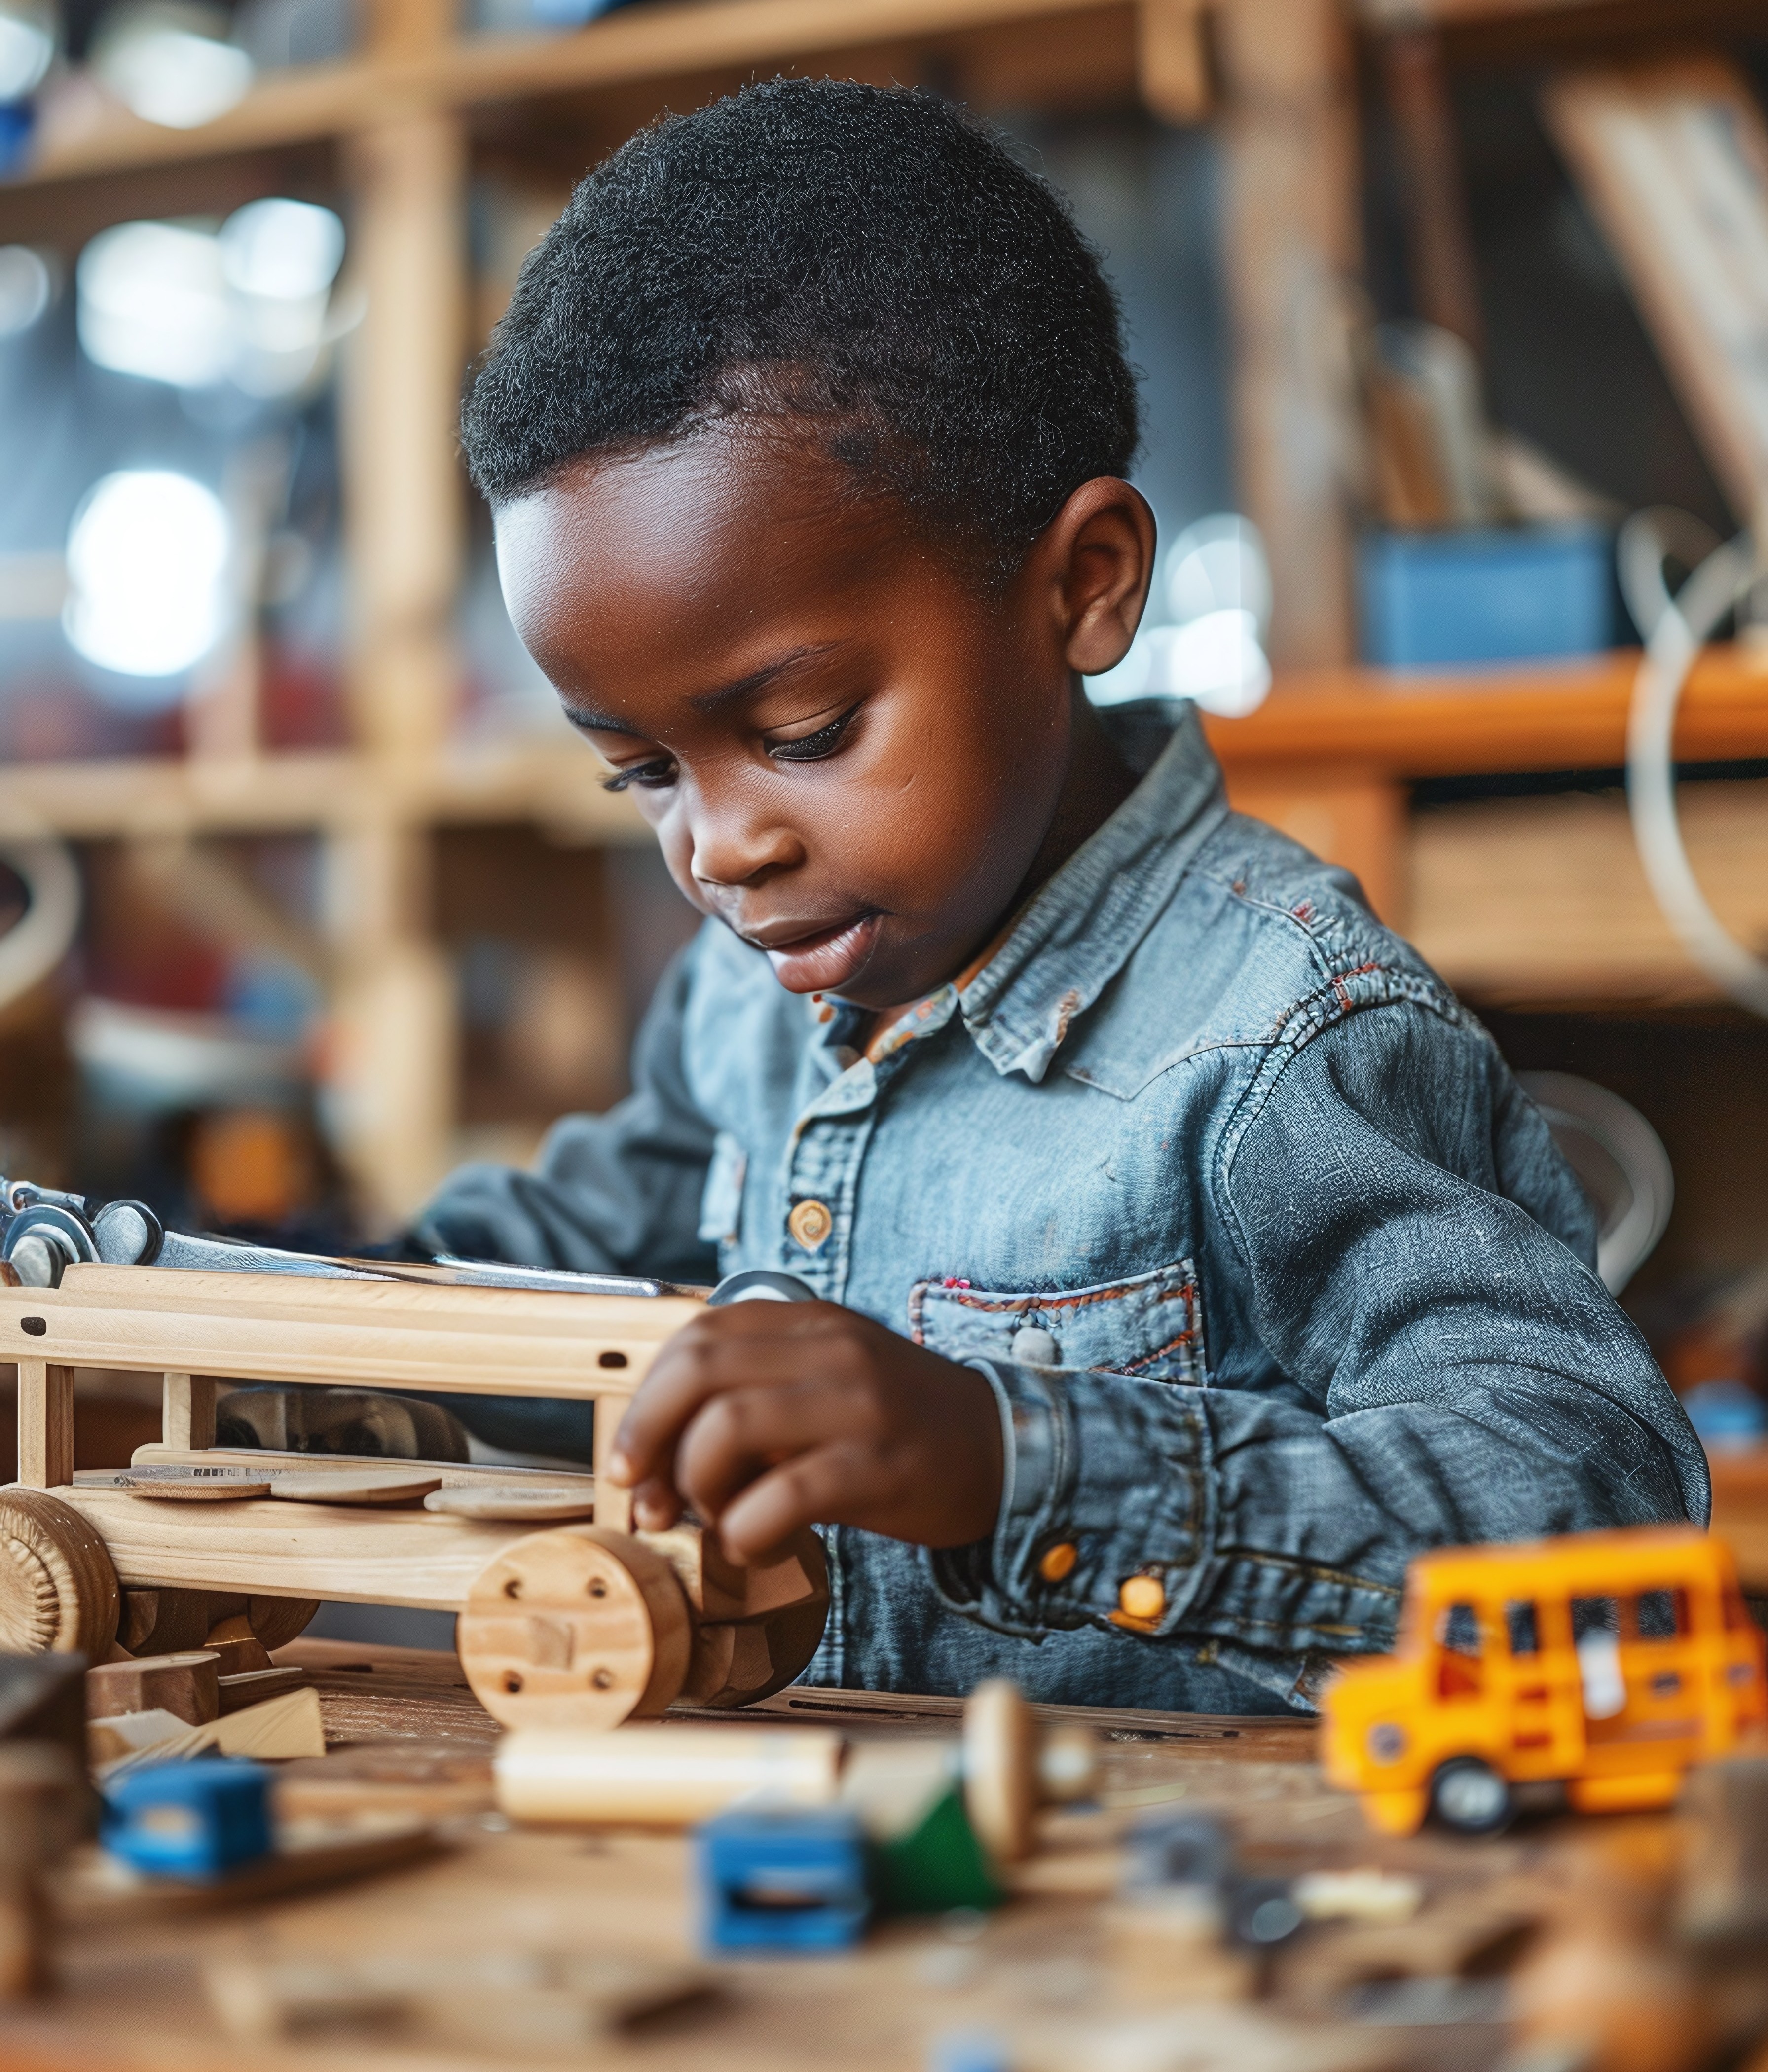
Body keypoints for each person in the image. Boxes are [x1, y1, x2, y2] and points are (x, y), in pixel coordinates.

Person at [415, 77, 1702, 1713]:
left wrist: (1008, 1463)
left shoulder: (1282, 1036)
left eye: (800, 734)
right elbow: (561, 1276)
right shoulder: (754, 992)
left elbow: (1591, 1523)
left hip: (1178, 1928)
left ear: (1086, 586)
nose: (720, 846)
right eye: (645, 771)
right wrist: (247, 1318)